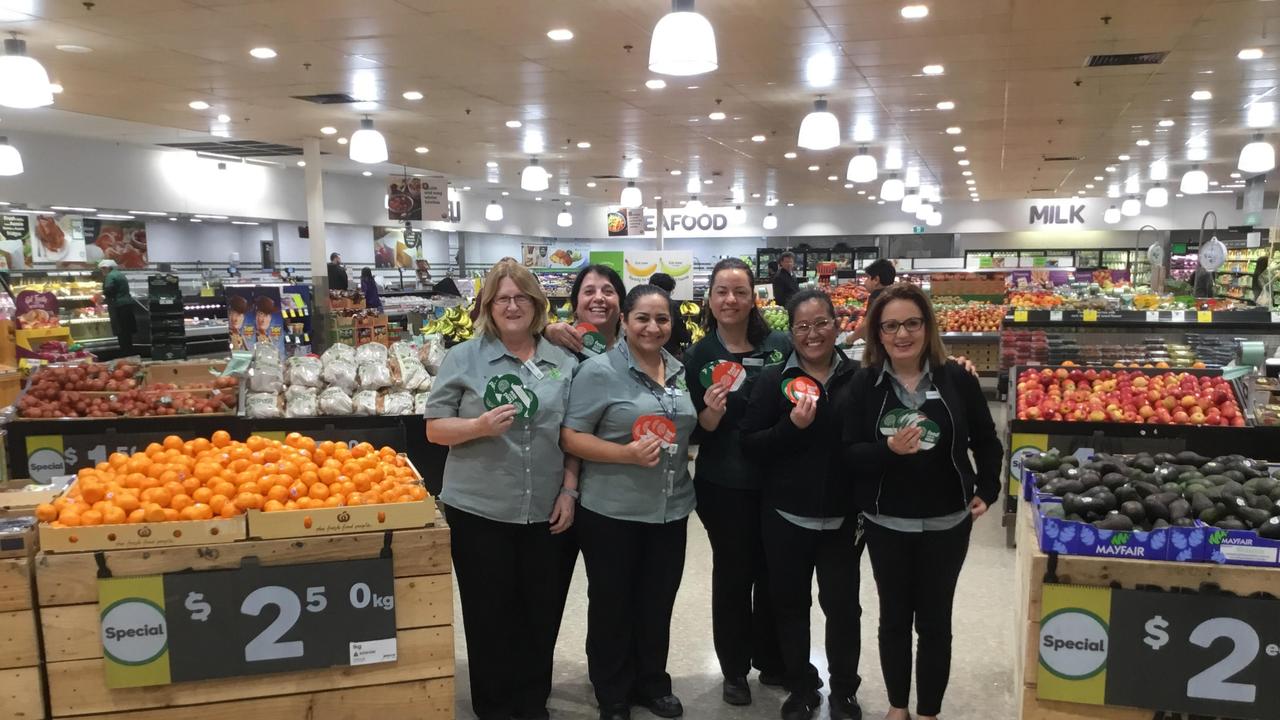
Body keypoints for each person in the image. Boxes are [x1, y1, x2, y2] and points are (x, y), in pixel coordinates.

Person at [424, 259, 578, 720]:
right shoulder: (464, 357)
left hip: (546, 508)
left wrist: (569, 489)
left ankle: (532, 702)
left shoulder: (562, 362)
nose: (512, 306)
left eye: (522, 297)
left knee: (541, 611)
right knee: (489, 614)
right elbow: (434, 428)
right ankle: (493, 706)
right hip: (480, 509)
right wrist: (477, 425)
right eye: (502, 298)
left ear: (537, 304)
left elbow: (572, 433)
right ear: (488, 306)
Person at [842, 282, 1002, 720]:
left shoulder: (957, 378)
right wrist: (887, 451)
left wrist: (989, 489)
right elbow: (849, 452)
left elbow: (988, 441)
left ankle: (928, 711)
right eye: (890, 325)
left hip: (948, 523)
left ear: (927, 327)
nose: (902, 334)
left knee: (935, 623)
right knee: (893, 620)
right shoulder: (865, 384)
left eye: (912, 323)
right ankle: (898, 707)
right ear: (877, 333)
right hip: (887, 522)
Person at [561, 284, 697, 720]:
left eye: (661, 319)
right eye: (642, 318)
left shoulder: (678, 369)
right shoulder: (599, 371)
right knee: (613, 604)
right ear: (624, 320)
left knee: (657, 602)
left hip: (670, 507)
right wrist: (624, 453)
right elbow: (570, 435)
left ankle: (653, 683)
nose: (652, 327)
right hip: (612, 511)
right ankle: (613, 691)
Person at [740, 289, 863, 720]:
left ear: (838, 324)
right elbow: (751, 444)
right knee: (789, 605)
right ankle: (802, 686)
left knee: (844, 608)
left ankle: (844, 690)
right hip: (786, 516)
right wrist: (791, 428)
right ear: (790, 333)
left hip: (844, 520)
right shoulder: (774, 380)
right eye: (803, 327)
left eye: (822, 323)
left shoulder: (860, 377)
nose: (813, 334)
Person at [681, 257, 790, 706]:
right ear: (710, 298)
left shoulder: (782, 345)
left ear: (753, 298)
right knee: (733, 574)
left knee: (774, 575)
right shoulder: (699, 355)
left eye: (739, 291)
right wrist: (711, 411)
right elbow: (693, 429)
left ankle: (772, 659)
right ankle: (734, 669)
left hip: (780, 481)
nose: (731, 299)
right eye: (722, 291)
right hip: (724, 482)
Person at [545, 264, 627, 358]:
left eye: (608, 292)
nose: (598, 298)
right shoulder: (556, 345)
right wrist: (544, 333)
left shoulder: (635, 345)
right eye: (589, 292)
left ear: (621, 303)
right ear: (576, 303)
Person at [649, 272, 690, 359]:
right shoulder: (671, 305)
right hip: (669, 354)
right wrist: (687, 336)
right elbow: (682, 334)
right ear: (668, 290)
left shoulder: (641, 304)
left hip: (646, 353)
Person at [98, 259, 135, 355]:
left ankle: (125, 353)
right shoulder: (120, 274)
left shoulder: (110, 276)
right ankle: (129, 352)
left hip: (118, 306)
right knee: (127, 331)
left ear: (106, 268)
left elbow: (109, 290)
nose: (102, 272)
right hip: (127, 305)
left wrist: (101, 296)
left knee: (121, 331)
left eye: (102, 269)